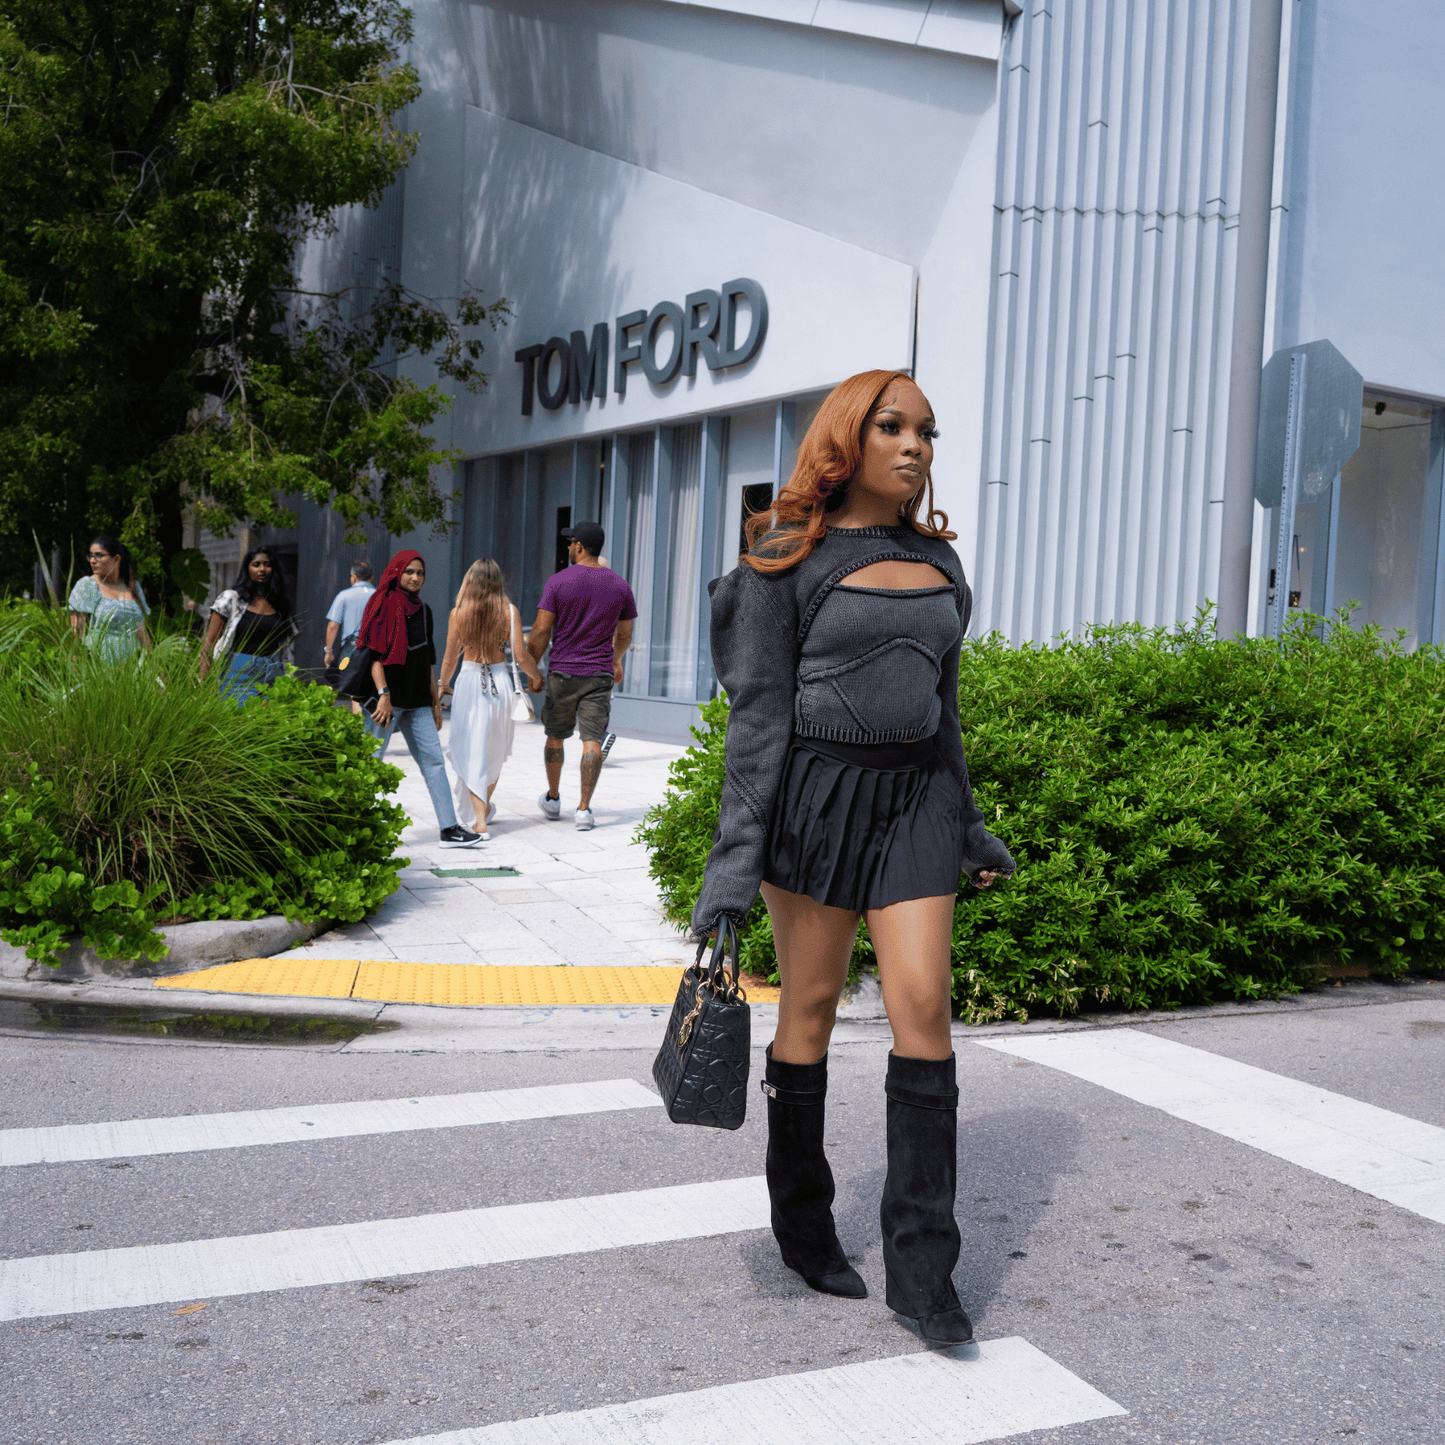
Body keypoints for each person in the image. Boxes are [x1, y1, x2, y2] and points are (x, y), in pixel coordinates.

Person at [690, 370, 1016, 1346]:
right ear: (847, 437)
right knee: (811, 1006)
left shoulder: (940, 563)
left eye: (925, 429)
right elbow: (755, 723)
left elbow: (942, 711)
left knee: (922, 1004)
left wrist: (965, 823)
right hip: (815, 796)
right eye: (891, 425)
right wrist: (729, 872)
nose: (914, 445)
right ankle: (801, 1220)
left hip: (916, 796)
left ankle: (923, 1267)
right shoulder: (782, 557)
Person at [357, 550, 485, 849]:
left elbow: (427, 658)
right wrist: (383, 695)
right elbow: (375, 656)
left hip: (417, 701)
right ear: (397, 573)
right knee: (370, 764)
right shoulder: (383, 604)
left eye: (420, 573)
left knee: (434, 762)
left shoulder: (423, 610)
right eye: (409, 572)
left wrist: (434, 703)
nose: (415, 578)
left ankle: (449, 829)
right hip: (385, 701)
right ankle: (357, 826)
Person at [527, 521, 637, 831]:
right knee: (592, 742)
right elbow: (626, 634)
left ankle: (552, 798)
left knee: (555, 737)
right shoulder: (620, 585)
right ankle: (584, 810)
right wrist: (615, 660)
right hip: (599, 674)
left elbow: (540, 630)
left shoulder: (559, 582)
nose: (568, 547)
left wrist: (532, 668)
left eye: (570, 542)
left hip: (563, 671)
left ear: (579, 546)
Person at [439, 558, 545, 835]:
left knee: (468, 748)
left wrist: (443, 686)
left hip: (470, 681)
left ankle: (480, 817)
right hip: (499, 683)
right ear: (498, 580)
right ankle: (481, 811)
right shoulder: (509, 611)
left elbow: (450, 658)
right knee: (494, 751)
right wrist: (536, 676)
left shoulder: (459, 612)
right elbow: (521, 656)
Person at [199, 548, 296, 701]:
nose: (262, 569)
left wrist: (289, 677)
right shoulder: (231, 599)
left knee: (269, 722)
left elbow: (288, 645)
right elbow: (209, 641)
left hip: (272, 673)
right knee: (238, 717)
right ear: (247, 568)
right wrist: (203, 681)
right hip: (238, 671)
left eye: (267, 564)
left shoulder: (279, 604)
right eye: (256, 564)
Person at [67, 534, 150, 659]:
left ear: (116, 559)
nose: (93, 561)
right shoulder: (87, 586)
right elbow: (77, 632)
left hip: (133, 665)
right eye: (91, 556)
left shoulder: (133, 586)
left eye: (99, 555)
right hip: (98, 663)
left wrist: (156, 667)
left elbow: (142, 632)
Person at [323, 560, 374, 677]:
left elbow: (333, 625)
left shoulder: (343, 595)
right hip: (375, 648)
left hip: (352, 648)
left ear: (354, 577)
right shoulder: (382, 597)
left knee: (350, 683)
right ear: (371, 578)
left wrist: (328, 651)